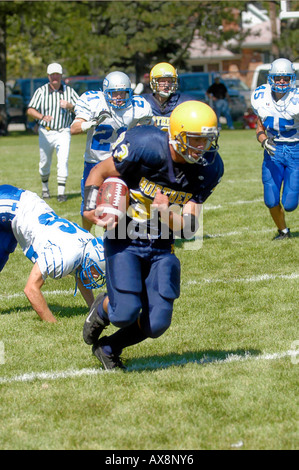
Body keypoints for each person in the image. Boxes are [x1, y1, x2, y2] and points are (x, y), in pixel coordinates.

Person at [82, 100, 224, 370]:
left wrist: (166, 213)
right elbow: (99, 171)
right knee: (124, 312)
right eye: (195, 139)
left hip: (161, 244)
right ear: (177, 135)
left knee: (156, 323)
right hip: (125, 235)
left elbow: (190, 226)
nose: (202, 147)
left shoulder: (208, 168)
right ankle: (103, 308)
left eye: (206, 140)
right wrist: (90, 207)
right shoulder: (145, 146)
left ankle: (108, 348)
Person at [0, 184, 106, 323]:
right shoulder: (64, 255)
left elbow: (80, 271)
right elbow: (31, 289)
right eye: (96, 270)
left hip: (23, 208)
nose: (96, 276)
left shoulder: (86, 245)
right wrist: (53, 324)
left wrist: (93, 310)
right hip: (9, 206)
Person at [70, 71, 153, 231]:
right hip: (95, 162)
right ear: (105, 92)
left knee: (122, 204)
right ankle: (86, 237)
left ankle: (117, 239)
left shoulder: (139, 106)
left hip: (122, 163)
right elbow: (74, 128)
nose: (119, 97)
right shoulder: (93, 101)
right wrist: (90, 123)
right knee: (88, 207)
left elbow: (146, 132)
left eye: (123, 93)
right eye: (114, 93)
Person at [251, 58, 299, 240]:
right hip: (273, 153)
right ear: (271, 78)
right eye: (278, 78)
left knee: (290, 203)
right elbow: (259, 128)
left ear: (291, 80)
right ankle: (283, 231)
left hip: (296, 151)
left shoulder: (296, 99)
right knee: (270, 199)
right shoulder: (261, 96)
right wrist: (263, 141)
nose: (281, 81)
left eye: (285, 78)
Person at [27, 63, 79, 202]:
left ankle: (61, 193)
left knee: (63, 161)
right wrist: (42, 117)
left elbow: (80, 108)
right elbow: (30, 109)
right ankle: (45, 189)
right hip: (46, 132)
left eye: (57, 74)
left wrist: (70, 106)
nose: (55, 77)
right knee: (45, 162)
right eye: (52, 74)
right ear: (48, 76)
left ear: (61, 75)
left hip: (63, 131)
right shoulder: (41, 91)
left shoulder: (69, 91)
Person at [142, 62, 194, 132]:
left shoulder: (183, 102)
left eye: (169, 81)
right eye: (163, 81)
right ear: (154, 82)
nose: (166, 85)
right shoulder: (143, 102)